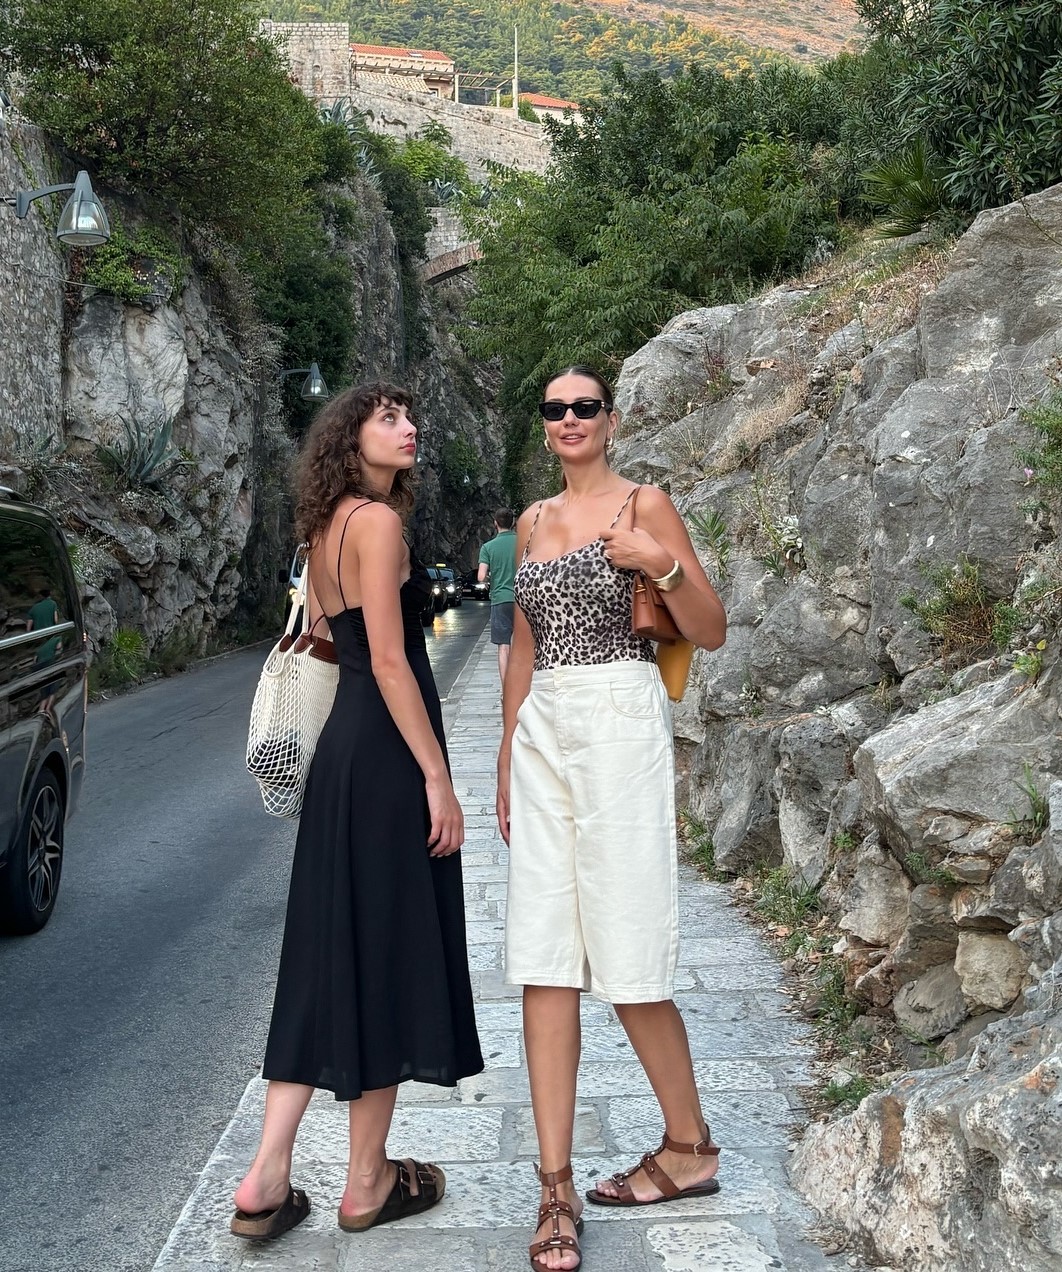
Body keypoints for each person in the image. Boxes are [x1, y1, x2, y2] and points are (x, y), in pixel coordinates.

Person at [231, 382, 484, 1243]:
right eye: (388, 418)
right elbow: (388, 662)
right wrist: (437, 776)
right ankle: (366, 1181)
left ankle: (267, 1175)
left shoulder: (324, 528)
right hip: (385, 759)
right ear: (351, 437)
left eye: (411, 415)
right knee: (385, 953)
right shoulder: (377, 525)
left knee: (322, 954)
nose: (409, 427)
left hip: (341, 757)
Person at [495, 367, 728, 1271]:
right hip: (546, 729)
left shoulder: (645, 504)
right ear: (544, 424)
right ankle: (554, 1189)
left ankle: (689, 1147)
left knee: (628, 946)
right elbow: (523, 647)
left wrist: (655, 563)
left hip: (621, 718)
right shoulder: (531, 522)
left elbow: (708, 627)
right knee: (543, 954)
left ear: (611, 420)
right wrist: (506, 755)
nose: (569, 419)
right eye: (554, 409)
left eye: (584, 407)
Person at [478, 508, 518, 684]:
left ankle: (506, 688)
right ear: (513, 523)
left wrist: (491, 578)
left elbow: (481, 576)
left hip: (500, 599)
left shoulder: (488, 547)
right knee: (523, 645)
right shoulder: (523, 543)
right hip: (523, 599)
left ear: (495, 523)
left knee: (504, 646)